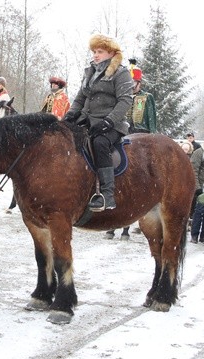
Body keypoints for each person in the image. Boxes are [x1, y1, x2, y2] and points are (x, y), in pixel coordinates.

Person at [63, 34, 134, 211]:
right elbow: (80, 98)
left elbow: (125, 101)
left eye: (100, 51)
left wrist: (109, 121)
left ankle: (107, 195)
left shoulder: (121, 72)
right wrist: (70, 115)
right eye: (94, 51)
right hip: (88, 121)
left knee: (100, 142)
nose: (95, 55)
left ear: (111, 53)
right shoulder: (90, 72)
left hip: (112, 124)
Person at [106, 65, 158, 238]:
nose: (130, 85)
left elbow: (151, 119)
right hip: (122, 133)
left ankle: (127, 225)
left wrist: (152, 139)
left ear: (139, 83)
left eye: (133, 82)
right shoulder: (121, 96)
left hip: (140, 135)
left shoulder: (146, 97)